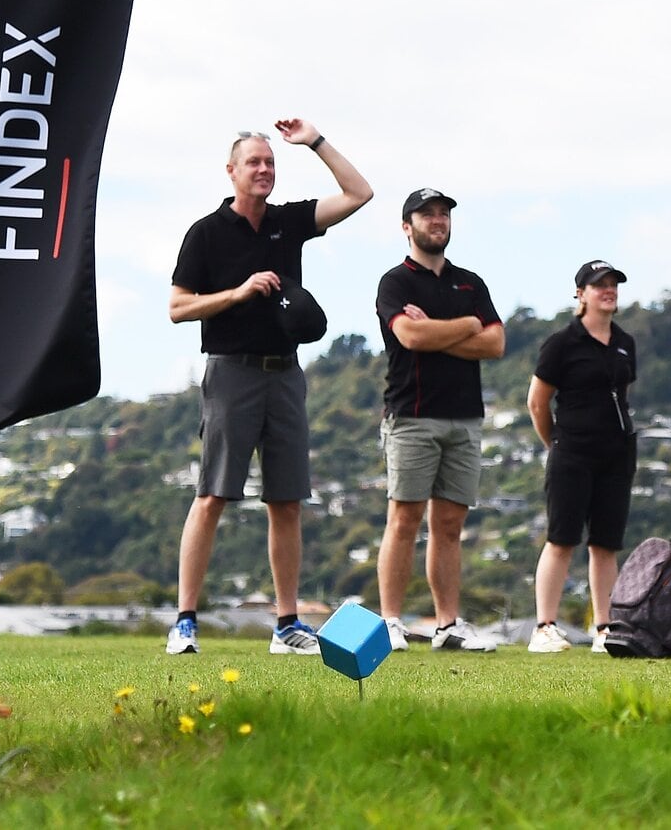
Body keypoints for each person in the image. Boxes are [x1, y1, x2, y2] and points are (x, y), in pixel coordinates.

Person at [166, 121, 373, 655]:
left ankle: (286, 625)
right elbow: (178, 307)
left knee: (287, 500)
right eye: (253, 162)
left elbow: (360, 193)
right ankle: (185, 620)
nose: (264, 169)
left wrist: (316, 142)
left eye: (270, 162)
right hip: (231, 371)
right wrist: (237, 293)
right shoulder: (206, 232)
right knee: (212, 494)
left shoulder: (287, 223)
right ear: (231, 171)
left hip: (285, 373)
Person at [373, 188, 506, 653]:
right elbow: (409, 335)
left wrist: (438, 331)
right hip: (412, 415)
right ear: (407, 226)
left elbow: (494, 344)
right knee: (404, 518)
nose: (437, 220)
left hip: (465, 418)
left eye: (443, 214)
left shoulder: (470, 283)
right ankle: (390, 621)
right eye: (426, 214)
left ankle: (448, 625)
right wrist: (465, 325)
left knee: (450, 525)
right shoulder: (396, 282)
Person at [526, 260, 637, 654]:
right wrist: (553, 443)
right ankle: (544, 627)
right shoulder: (562, 343)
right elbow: (537, 403)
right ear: (581, 294)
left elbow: (623, 395)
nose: (608, 291)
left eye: (613, 285)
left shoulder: (625, 342)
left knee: (606, 543)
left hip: (617, 452)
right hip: (571, 449)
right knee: (562, 538)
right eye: (599, 285)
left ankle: (604, 628)